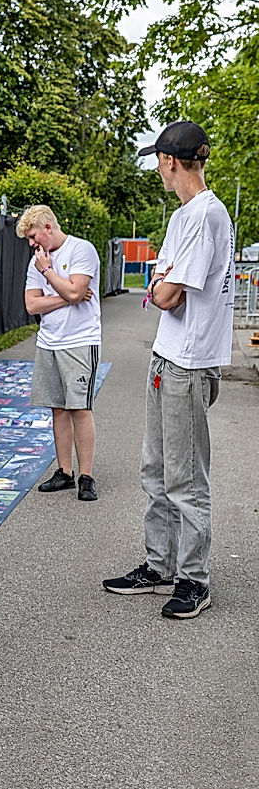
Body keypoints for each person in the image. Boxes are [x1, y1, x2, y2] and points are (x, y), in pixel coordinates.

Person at [103, 121, 234, 619]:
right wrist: (161, 286)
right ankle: (159, 567)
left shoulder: (205, 216)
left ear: (170, 162)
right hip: (167, 355)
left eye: (158, 160)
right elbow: (161, 289)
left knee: (185, 479)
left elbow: (168, 293)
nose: (157, 168)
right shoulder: (184, 216)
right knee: (155, 471)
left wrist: (161, 285)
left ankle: (193, 579)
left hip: (189, 363)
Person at [17, 205, 102, 501]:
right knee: (57, 408)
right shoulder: (36, 262)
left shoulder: (82, 250)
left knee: (80, 407)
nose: (31, 243)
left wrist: (49, 273)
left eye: (32, 236)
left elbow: (78, 292)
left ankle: (86, 476)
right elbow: (32, 306)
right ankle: (64, 472)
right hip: (48, 342)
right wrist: (66, 296)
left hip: (80, 341)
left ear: (48, 228)